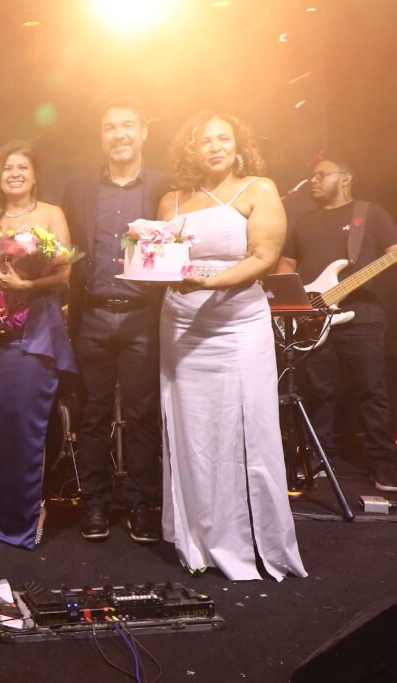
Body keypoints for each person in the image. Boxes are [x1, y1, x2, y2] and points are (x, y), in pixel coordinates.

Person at [157, 111, 306, 580]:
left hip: (238, 321)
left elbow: (264, 256)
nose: (215, 147)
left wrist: (209, 283)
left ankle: (253, 541)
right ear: (191, 150)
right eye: (205, 141)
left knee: (249, 426)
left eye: (223, 139)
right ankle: (198, 538)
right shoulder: (171, 199)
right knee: (191, 430)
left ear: (238, 145)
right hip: (181, 322)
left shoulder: (259, 188)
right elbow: (160, 260)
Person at [0, 141, 76, 549]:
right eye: (8, 168)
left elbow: (64, 275)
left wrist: (27, 284)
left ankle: (26, 513)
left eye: (22, 167)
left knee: (27, 423)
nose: (15, 174)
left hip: (36, 331)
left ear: (34, 174)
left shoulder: (52, 214)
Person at [62, 97, 167, 544]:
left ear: (143, 132)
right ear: (101, 136)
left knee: (144, 416)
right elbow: (69, 253)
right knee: (91, 415)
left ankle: (142, 504)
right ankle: (95, 502)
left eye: (128, 125)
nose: (119, 134)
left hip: (145, 315)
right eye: (110, 127)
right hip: (93, 316)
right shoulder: (79, 188)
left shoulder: (166, 186)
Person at [276, 157, 397, 491]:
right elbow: (286, 263)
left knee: (371, 391)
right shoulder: (305, 221)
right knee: (318, 393)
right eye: (312, 174)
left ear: (346, 178)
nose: (313, 180)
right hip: (314, 319)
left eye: (322, 174)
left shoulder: (370, 213)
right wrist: (293, 302)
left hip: (362, 316)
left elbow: (393, 251)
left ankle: (383, 463)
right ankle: (318, 460)